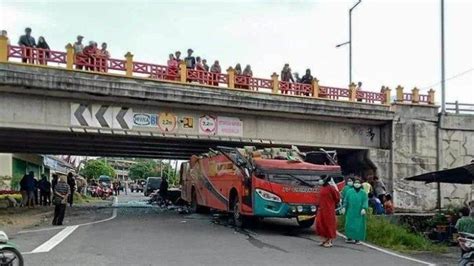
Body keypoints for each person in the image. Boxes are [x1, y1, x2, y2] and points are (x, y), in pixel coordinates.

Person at [316, 176, 340, 247]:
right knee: (320, 224)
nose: (319, 180)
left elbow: (337, 197)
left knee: (328, 224)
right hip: (321, 209)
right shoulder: (322, 188)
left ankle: (329, 240)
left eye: (321, 179)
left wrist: (332, 204)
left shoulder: (331, 188)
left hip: (329, 209)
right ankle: (324, 239)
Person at [342, 179, 368, 244]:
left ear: (360, 184)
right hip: (350, 211)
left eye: (358, 183)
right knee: (349, 224)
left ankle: (357, 239)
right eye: (355, 183)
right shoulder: (349, 192)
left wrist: (364, 208)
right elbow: (346, 200)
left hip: (359, 212)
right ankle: (349, 237)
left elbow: (365, 201)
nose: (357, 184)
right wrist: (344, 207)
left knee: (358, 225)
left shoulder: (363, 193)